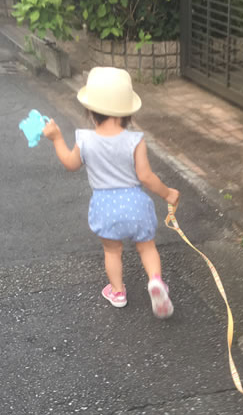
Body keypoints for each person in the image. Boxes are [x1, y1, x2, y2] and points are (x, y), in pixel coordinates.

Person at [43, 67, 180, 318]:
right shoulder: (135, 140)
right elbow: (146, 177)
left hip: (105, 207)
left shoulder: (84, 139)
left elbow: (70, 164)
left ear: (91, 111)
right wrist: (168, 193)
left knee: (112, 251)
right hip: (136, 204)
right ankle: (156, 281)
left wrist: (56, 139)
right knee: (147, 247)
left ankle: (117, 292)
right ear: (128, 112)